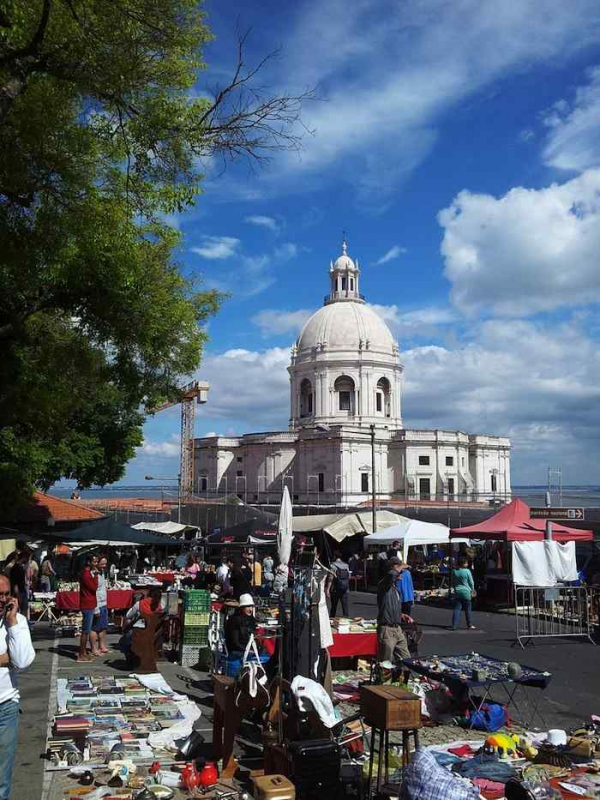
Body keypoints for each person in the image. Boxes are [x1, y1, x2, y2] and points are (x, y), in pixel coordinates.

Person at [0, 574, 35, 800]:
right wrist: (4, 658)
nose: (2, 600)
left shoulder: (17, 621)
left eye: (5, 594)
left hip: (6, 706)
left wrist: (12, 623)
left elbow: (22, 661)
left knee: (1, 777)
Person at [376, 557, 411, 667]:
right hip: (387, 629)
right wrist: (401, 566)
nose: (402, 573)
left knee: (407, 659)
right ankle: (382, 683)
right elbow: (391, 574)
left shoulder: (395, 589)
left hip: (397, 629)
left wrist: (402, 615)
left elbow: (389, 606)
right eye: (400, 570)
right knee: (385, 663)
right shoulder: (384, 584)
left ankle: (403, 680)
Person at [121, 587, 165, 666]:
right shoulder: (160, 605)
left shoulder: (140, 603)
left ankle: (129, 661)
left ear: (148, 594)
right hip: (152, 632)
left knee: (123, 641)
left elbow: (128, 615)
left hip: (139, 631)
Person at [78, 554, 99, 662]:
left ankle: (83, 653)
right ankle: (81, 654)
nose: (96, 564)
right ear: (89, 562)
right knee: (85, 631)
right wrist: (95, 576)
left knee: (86, 630)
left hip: (88, 604)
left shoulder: (86, 573)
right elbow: (94, 587)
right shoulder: (86, 574)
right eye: (94, 562)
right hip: (87, 604)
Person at [225, 593, 258, 657]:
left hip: (248, 649)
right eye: (248, 606)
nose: (250, 609)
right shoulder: (234, 620)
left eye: (251, 606)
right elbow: (234, 642)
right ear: (242, 608)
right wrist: (248, 650)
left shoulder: (251, 619)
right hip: (237, 651)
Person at [90, 555, 109, 656]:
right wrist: (95, 608)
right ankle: (94, 648)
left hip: (103, 603)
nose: (104, 566)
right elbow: (94, 592)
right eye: (102, 564)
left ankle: (102, 645)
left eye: (105, 564)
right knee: (94, 627)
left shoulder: (101, 574)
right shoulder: (93, 575)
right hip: (97, 604)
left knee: (103, 626)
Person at [451, 557, 476, 630]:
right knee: (468, 610)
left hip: (457, 592)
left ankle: (454, 625)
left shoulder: (454, 571)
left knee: (457, 609)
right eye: (466, 563)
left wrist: (455, 588)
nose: (467, 564)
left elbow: (453, 582)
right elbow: (471, 582)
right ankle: (469, 625)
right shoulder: (467, 571)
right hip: (466, 592)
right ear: (463, 564)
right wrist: (473, 590)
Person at [10, 550, 31, 620]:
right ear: (24, 557)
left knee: (24, 608)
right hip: (19, 591)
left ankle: (23, 622)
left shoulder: (20, 567)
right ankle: (21, 623)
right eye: (27, 558)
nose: (28, 560)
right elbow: (15, 583)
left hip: (21, 590)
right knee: (22, 609)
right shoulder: (16, 568)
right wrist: (18, 595)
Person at [329, 552, 351, 618]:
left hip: (335, 588)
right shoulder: (346, 565)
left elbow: (331, 577)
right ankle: (346, 620)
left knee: (334, 606)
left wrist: (327, 589)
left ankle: (331, 620)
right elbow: (349, 576)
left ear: (335, 556)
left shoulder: (333, 565)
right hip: (345, 589)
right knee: (345, 606)